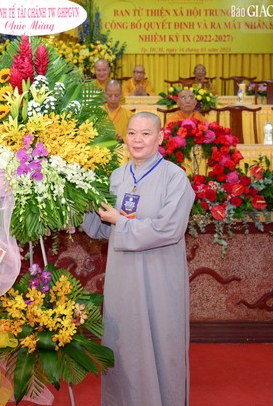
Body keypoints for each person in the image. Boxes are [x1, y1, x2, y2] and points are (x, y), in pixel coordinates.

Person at [82, 111, 195, 406]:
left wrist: (120, 221)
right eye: (132, 133)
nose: (138, 140)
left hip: (159, 275)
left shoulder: (175, 177)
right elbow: (102, 229)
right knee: (123, 343)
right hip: (122, 275)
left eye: (146, 133)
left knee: (161, 343)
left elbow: (169, 229)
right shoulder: (117, 177)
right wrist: (78, 200)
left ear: (160, 137)